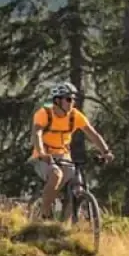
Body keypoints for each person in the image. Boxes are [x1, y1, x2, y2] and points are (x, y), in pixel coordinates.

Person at [31, 82, 113, 221]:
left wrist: (106, 151)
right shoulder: (44, 113)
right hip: (44, 155)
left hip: (64, 154)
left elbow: (93, 134)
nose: (72, 103)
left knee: (76, 187)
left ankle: (64, 227)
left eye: (73, 100)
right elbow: (37, 134)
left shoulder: (75, 116)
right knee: (56, 175)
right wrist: (42, 153)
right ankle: (44, 212)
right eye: (68, 99)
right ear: (57, 100)